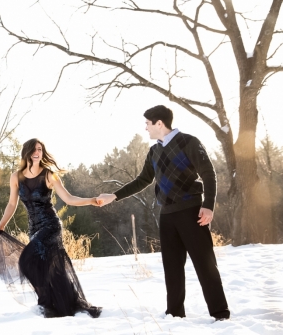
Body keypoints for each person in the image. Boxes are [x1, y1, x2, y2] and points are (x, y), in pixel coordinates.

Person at [97, 105, 230, 321]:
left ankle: (220, 313)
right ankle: (175, 314)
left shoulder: (189, 142)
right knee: (172, 266)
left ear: (160, 123)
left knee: (205, 264)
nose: (146, 129)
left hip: (192, 212)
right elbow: (143, 180)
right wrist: (114, 195)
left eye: (148, 124)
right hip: (167, 215)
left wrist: (208, 205)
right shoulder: (154, 151)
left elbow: (208, 173)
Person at [0, 138, 102, 318]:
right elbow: (11, 204)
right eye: (34, 149)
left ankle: (45, 303)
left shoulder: (49, 175)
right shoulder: (16, 177)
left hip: (51, 226)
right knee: (48, 268)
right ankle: (58, 304)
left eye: (40, 149)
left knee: (26, 260)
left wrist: (91, 201)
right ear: (26, 152)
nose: (37, 152)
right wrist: (1, 224)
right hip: (33, 229)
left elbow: (69, 198)